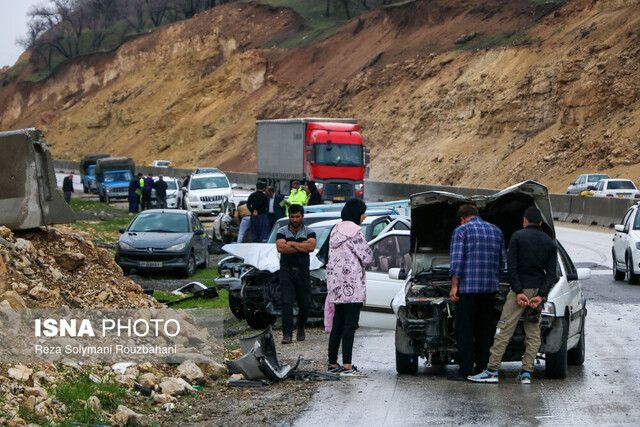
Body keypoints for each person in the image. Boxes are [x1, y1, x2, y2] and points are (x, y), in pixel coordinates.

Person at [469, 207, 557, 384]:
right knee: (533, 334)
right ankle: (526, 373)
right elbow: (551, 274)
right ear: (540, 223)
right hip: (535, 295)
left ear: (525, 221)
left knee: (503, 330)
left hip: (519, 292)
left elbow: (512, 268)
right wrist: (540, 295)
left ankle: (492, 370)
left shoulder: (517, 237)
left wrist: (518, 292)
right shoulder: (549, 242)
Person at [448, 204, 506, 381]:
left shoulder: (461, 231)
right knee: (485, 331)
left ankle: (464, 370)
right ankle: (482, 367)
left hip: (468, 290)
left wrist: (454, 286)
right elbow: (501, 262)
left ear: (462, 218)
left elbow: (457, 261)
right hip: (489, 290)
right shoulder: (496, 231)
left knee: (465, 331)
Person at [326, 198, 373, 377]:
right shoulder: (356, 232)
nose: (365, 215)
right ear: (356, 213)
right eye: (363, 212)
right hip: (353, 285)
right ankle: (347, 365)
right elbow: (367, 257)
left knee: (338, 321)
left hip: (336, 285)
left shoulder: (335, 229)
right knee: (350, 325)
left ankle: (332, 362)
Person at [276, 204, 316, 344]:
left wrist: (291, 243)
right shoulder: (282, 231)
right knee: (286, 302)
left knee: (305, 303)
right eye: (292, 216)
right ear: (289, 216)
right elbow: (281, 247)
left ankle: (301, 327)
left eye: (297, 216)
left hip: (303, 271)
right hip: (286, 271)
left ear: (302, 216)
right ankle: (287, 334)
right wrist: (300, 246)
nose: (295, 219)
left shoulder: (309, 231)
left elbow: (310, 247)